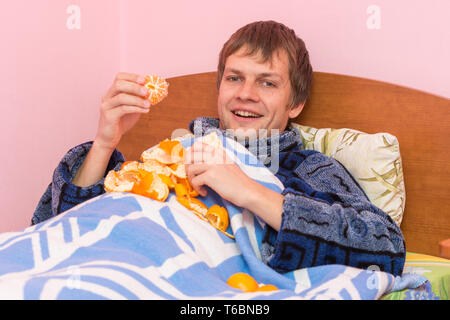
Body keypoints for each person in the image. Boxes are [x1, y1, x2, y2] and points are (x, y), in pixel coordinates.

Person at [32, 20, 406, 276]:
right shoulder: (172, 154)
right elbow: (54, 230)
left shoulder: (311, 169)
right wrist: (104, 142)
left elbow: (386, 247)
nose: (245, 94)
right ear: (219, 89)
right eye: (234, 78)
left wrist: (249, 191)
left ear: (295, 104)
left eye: (267, 83)